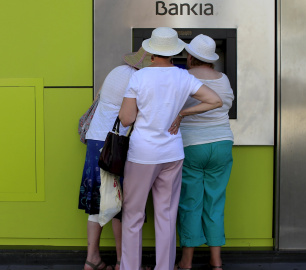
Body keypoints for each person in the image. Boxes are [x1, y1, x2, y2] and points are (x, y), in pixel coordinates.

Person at [118, 27, 223, 270]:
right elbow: (215, 100)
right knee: (166, 215)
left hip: (142, 155)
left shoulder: (139, 77)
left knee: (134, 216)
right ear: (174, 53)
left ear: (151, 52)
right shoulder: (183, 77)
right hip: (172, 154)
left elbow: (126, 119)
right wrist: (182, 112)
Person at [78, 47, 152, 270]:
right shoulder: (138, 79)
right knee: (120, 203)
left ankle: (92, 259)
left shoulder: (116, 71)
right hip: (116, 145)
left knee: (98, 204)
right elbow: (130, 116)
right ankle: (123, 262)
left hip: (95, 140)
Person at [173, 34, 234, 270]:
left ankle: (186, 263)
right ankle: (216, 262)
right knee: (215, 202)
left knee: (190, 203)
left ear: (190, 57)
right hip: (222, 145)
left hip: (192, 145)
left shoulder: (183, 77)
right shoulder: (225, 79)